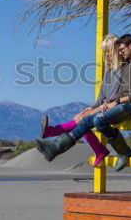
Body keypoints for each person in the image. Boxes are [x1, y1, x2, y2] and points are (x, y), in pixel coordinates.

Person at [35, 34, 131, 172]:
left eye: (121, 49)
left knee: (98, 120)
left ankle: (123, 151)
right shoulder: (126, 67)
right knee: (87, 120)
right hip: (119, 104)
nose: (120, 52)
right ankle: (54, 148)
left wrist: (113, 101)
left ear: (130, 46)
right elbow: (118, 92)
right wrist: (105, 104)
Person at [39, 34, 124, 167]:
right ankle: (99, 150)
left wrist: (102, 106)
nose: (106, 54)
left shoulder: (123, 69)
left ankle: (52, 132)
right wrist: (92, 107)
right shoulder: (109, 70)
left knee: (81, 119)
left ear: (116, 49)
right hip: (105, 105)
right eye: (105, 50)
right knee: (79, 116)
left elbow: (115, 95)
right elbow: (103, 93)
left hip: (116, 107)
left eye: (109, 50)